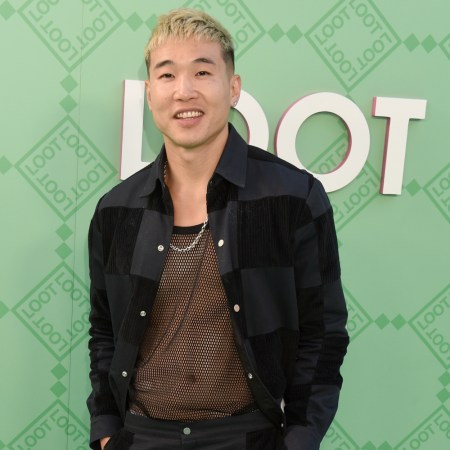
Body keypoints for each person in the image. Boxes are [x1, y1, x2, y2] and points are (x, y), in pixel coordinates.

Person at [87, 8, 349, 450]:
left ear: (233, 88)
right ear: (150, 94)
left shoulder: (293, 198)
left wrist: (299, 440)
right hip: (141, 437)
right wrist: (108, 432)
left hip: (248, 436)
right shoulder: (116, 211)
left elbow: (323, 335)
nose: (184, 91)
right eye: (167, 76)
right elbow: (104, 333)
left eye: (203, 71)